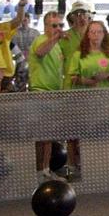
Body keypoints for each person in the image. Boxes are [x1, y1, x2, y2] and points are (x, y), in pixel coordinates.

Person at [28, 11, 75, 182]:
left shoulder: (58, 45)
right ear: (45, 26)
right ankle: (41, 172)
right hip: (41, 93)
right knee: (43, 136)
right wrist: (56, 38)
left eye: (61, 25)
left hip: (54, 94)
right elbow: (40, 52)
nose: (58, 29)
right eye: (54, 26)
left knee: (48, 136)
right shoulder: (41, 40)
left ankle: (45, 170)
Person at [67, 19, 109, 89]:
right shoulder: (78, 54)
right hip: (85, 94)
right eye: (93, 32)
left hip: (106, 94)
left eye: (99, 32)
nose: (96, 34)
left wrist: (108, 75)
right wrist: (87, 81)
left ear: (104, 34)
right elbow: (72, 78)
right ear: (88, 34)